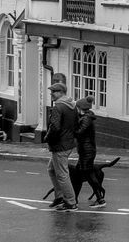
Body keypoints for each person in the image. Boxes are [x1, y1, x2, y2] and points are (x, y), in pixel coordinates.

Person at [44, 81, 79, 211]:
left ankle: (70, 202)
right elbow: (76, 124)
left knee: (62, 174)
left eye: (53, 92)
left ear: (61, 93)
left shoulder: (58, 107)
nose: (51, 94)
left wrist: (47, 138)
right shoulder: (72, 105)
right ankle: (59, 197)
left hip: (60, 145)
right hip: (68, 142)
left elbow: (55, 127)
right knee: (51, 169)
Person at [74, 97, 105, 206]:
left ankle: (100, 199)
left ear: (80, 108)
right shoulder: (85, 117)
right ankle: (74, 199)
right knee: (78, 175)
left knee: (89, 175)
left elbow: (79, 132)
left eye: (77, 107)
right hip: (85, 151)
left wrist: (71, 129)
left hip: (87, 151)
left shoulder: (86, 119)